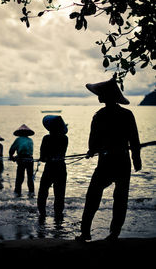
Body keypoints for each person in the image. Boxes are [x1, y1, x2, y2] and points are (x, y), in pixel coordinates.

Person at [76, 77, 142, 242]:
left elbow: (93, 141)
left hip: (107, 162)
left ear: (107, 96)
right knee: (120, 198)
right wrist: (136, 159)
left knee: (93, 196)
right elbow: (134, 140)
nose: (99, 97)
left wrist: (92, 150)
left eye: (101, 94)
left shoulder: (99, 116)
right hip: (121, 161)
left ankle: (86, 232)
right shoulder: (126, 114)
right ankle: (114, 233)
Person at [37, 115, 68, 221]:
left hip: (50, 168)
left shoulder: (46, 138)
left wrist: (46, 158)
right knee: (60, 193)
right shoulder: (65, 138)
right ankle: (58, 216)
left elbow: (42, 157)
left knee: (43, 192)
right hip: (61, 168)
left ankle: (42, 214)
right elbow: (61, 153)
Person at [9, 124, 35, 197]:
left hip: (21, 159)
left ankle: (17, 193)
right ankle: (31, 192)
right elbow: (27, 150)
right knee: (30, 177)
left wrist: (11, 156)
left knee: (20, 177)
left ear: (20, 133)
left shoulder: (18, 139)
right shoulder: (30, 140)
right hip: (30, 159)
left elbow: (12, 149)